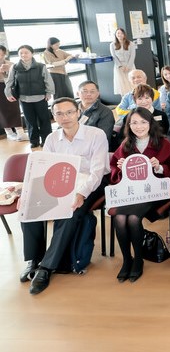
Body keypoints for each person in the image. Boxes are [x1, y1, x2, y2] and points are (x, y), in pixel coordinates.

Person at [22, 98, 110, 294]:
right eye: (59, 114)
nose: (65, 117)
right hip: (62, 183)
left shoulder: (96, 134)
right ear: (54, 116)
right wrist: (30, 193)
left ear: (78, 112)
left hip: (91, 183)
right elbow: (45, 170)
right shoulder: (52, 138)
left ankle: (46, 268)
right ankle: (34, 260)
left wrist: (81, 193)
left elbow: (97, 172)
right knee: (30, 208)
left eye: (69, 112)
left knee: (70, 211)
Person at [109, 107, 170, 283]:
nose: (139, 126)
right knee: (119, 217)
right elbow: (113, 172)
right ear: (128, 125)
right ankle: (127, 259)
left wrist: (160, 167)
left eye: (143, 122)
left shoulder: (163, 143)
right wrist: (121, 168)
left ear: (150, 123)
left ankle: (138, 259)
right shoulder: (126, 145)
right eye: (134, 123)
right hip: (133, 192)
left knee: (133, 218)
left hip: (155, 192)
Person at [4, 45, 53, 149]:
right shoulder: (15, 67)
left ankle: (46, 140)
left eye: (26, 52)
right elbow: (9, 81)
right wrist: (8, 93)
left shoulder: (41, 66)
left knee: (44, 120)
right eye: (21, 53)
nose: (23, 55)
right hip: (24, 99)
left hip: (40, 97)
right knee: (30, 121)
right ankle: (34, 141)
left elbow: (48, 80)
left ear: (32, 53)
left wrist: (49, 93)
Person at [77, 80, 115, 146]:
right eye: (85, 91)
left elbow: (103, 138)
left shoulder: (106, 112)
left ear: (97, 94)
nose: (89, 94)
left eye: (92, 91)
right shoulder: (71, 107)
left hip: (92, 147)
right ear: (77, 94)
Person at [0, 45, 26, 141]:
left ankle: (20, 132)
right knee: (2, 111)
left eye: (1, 54)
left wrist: (9, 70)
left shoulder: (10, 64)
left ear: (4, 54)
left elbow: (18, 75)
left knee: (14, 108)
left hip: (10, 87)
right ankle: (9, 133)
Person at [111, 28, 137, 96]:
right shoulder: (112, 45)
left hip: (130, 66)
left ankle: (134, 98)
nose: (120, 35)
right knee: (122, 85)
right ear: (115, 34)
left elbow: (132, 56)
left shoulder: (131, 44)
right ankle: (124, 99)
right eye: (118, 33)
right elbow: (114, 57)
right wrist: (120, 66)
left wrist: (128, 66)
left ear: (124, 34)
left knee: (132, 83)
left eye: (121, 33)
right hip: (119, 67)